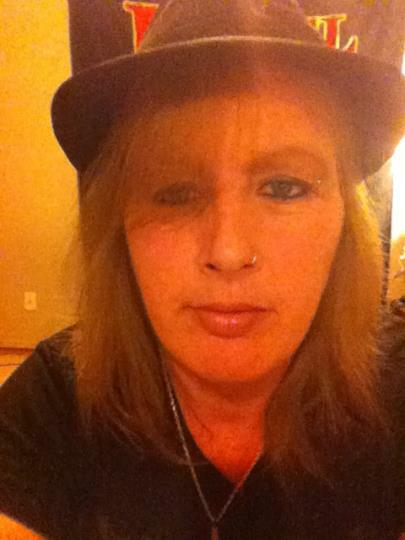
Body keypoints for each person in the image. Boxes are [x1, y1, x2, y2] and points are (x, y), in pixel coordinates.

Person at [1, 0, 405, 538]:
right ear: (120, 225)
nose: (229, 251)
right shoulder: (53, 407)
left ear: (345, 219)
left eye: (284, 187)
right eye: (175, 193)